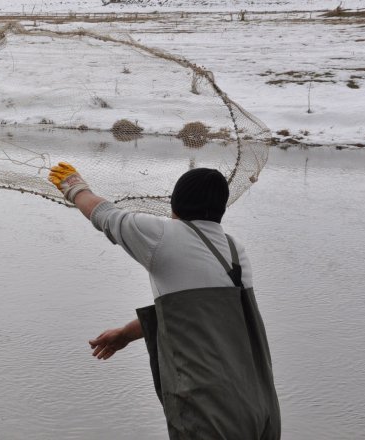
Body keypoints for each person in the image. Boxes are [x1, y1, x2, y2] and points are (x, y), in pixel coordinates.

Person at [48, 162, 280, 440]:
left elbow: (105, 216)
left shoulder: (163, 236)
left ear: (176, 203)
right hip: (261, 411)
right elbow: (197, 315)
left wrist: (74, 186)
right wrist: (127, 334)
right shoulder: (233, 250)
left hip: (211, 415)